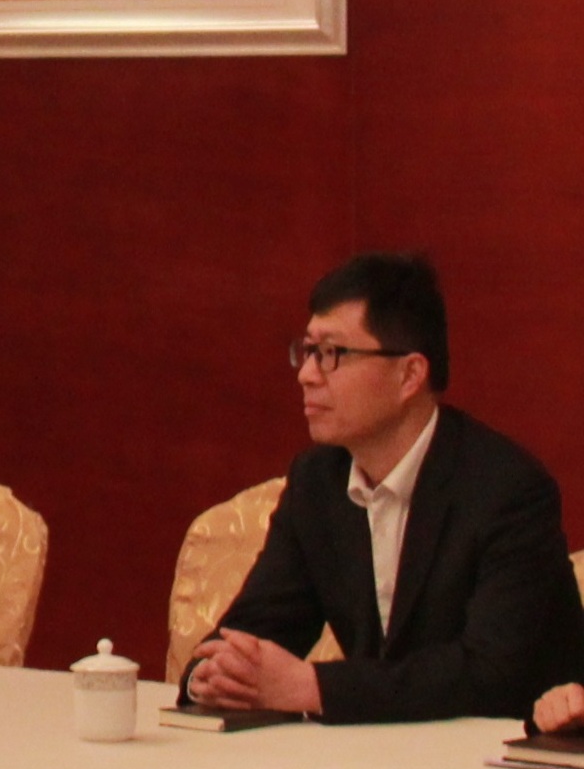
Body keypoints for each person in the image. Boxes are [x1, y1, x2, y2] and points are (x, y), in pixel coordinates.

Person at [188, 253, 584, 723]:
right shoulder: (317, 482)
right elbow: (255, 629)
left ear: (409, 375)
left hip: (500, 752)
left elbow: (489, 673)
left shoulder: (507, 490)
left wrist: (312, 687)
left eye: (332, 353)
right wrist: (211, 675)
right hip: (374, 751)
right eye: (307, 351)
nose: (307, 374)